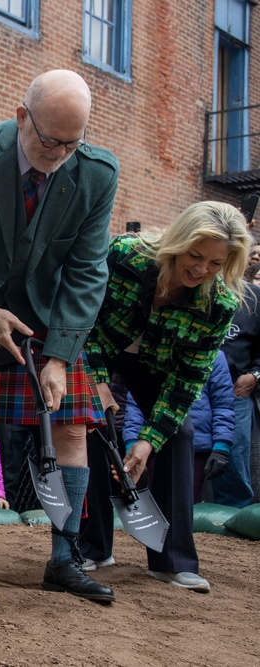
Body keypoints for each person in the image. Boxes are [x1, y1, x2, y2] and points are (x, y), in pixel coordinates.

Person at [0, 69, 119, 602]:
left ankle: (66, 556)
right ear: (20, 116)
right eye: (50, 139)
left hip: (47, 318)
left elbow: (87, 269)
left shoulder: (98, 175)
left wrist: (58, 355)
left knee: (74, 428)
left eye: (72, 143)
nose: (59, 153)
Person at [84, 201, 249, 593]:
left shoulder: (218, 304)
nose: (201, 269)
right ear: (179, 240)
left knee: (180, 434)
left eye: (215, 263)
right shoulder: (125, 255)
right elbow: (81, 314)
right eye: (195, 255)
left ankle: (171, 561)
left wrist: (146, 443)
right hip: (101, 350)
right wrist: (97, 382)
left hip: (159, 365)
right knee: (91, 425)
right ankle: (92, 546)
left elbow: (187, 382)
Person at [123, 350, 235, 503]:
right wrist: (131, 444)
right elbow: (135, 407)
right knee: (152, 503)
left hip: (197, 448)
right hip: (150, 446)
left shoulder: (215, 356)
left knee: (186, 503)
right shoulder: (153, 352)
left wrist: (221, 447)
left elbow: (223, 405)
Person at [214, 268, 260, 508]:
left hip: (236, 390)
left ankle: (233, 514)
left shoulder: (254, 297)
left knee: (234, 453)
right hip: (192, 387)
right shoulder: (193, 289)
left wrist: (254, 375)